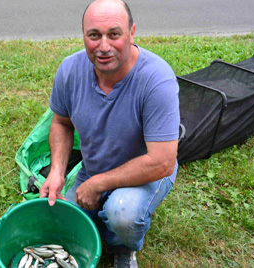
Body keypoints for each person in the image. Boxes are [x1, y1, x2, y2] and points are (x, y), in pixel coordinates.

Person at [40, 0, 180, 267]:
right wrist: (57, 171)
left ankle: (123, 248)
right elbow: (61, 123)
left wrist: (98, 184)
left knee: (121, 215)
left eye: (114, 34)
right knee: (63, 228)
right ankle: (102, 218)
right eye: (94, 35)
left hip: (147, 172)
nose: (103, 46)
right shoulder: (70, 70)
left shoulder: (157, 80)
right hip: (94, 168)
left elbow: (162, 161)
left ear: (132, 32)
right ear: (83, 35)